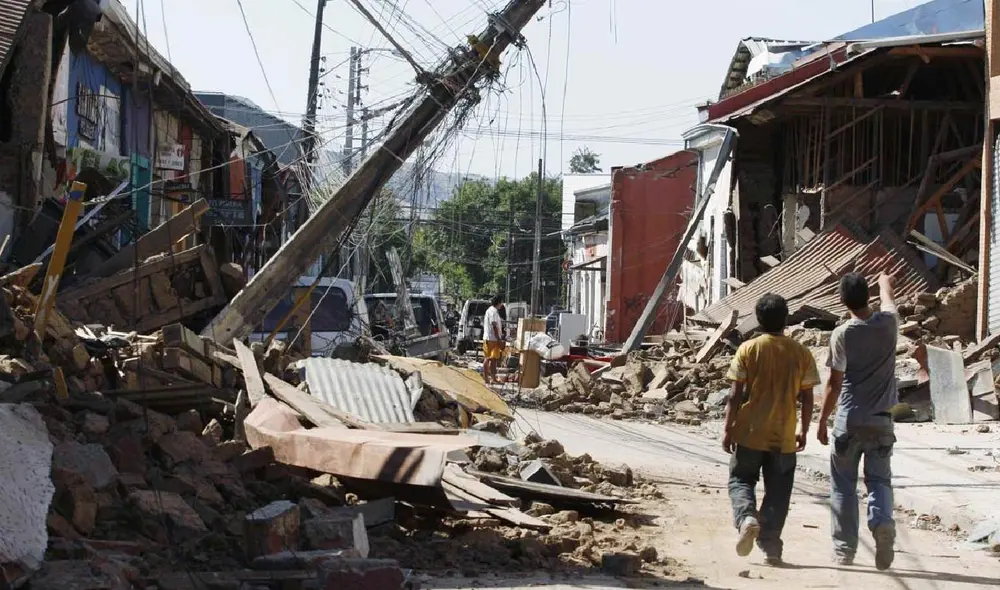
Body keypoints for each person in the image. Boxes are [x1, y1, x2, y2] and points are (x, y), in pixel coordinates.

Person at [724, 293, 820, 566]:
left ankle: (747, 519)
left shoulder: (748, 349)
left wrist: (728, 428)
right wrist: (804, 429)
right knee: (779, 491)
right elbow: (808, 396)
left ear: (758, 320)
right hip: (784, 436)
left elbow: (734, 394)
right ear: (786, 319)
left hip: (749, 432)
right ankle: (772, 546)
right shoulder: (801, 353)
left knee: (741, 480)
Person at [817, 273, 898, 570]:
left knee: (843, 486)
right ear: (869, 297)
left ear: (842, 301)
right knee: (879, 480)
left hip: (848, 421)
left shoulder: (841, 334)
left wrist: (822, 420)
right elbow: (889, 296)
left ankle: (844, 551)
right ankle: (882, 523)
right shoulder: (889, 324)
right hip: (881, 421)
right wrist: (883, 281)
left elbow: (834, 384)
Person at [482, 295, 505, 383]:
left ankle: (493, 378)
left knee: (494, 359)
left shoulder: (494, 311)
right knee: (487, 358)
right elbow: (494, 325)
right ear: (499, 302)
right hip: (490, 338)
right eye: (501, 302)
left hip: (494, 339)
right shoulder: (492, 311)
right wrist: (499, 339)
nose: (502, 304)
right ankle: (486, 378)